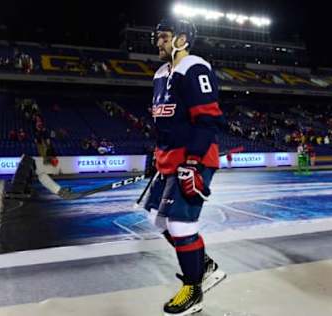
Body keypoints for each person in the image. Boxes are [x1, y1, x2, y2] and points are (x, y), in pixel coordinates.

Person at [144, 18, 226, 316]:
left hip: (194, 158)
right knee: (159, 221)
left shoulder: (194, 67)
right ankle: (203, 265)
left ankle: (194, 291)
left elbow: (208, 119)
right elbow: (163, 123)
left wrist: (192, 162)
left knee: (181, 225)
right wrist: (154, 158)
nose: (158, 42)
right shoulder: (159, 74)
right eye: (157, 37)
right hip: (168, 158)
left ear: (182, 39)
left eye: (163, 36)